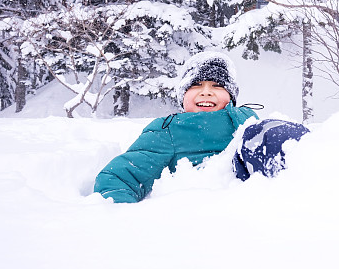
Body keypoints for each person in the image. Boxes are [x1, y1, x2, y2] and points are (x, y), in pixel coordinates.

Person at [93, 52, 309, 203]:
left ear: (231, 97)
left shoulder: (246, 119)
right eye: (196, 86)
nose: (206, 92)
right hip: (205, 208)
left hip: (257, 199)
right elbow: (119, 176)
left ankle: (312, 176)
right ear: (182, 96)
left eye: (216, 86)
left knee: (274, 130)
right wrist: (121, 219)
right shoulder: (167, 129)